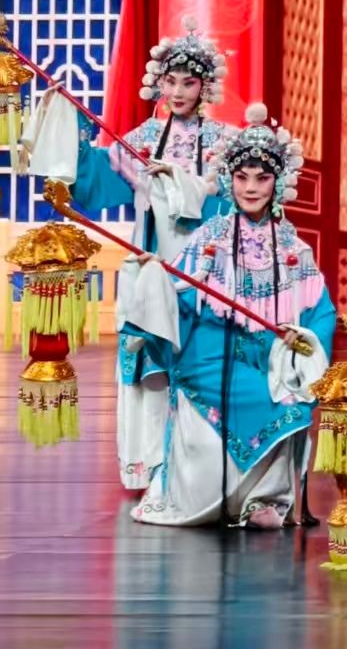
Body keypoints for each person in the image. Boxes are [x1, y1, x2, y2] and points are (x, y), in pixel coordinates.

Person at [23, 15, 234, 490]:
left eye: (188, 82)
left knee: (202, 357)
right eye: (170, 81)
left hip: (205, 269)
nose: (177, 91)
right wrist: (71, 121)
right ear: (158, 82)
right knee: (149, 363)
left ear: (205, 86)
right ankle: (151, 462)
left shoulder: (224, 144)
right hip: (149, 263)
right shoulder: (143, 139)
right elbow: (96, 179)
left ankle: (201, 465)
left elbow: (232, 207)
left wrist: (183, 187)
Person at [123, 102, 335, 528]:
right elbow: (179, 299)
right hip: (210, 354)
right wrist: (156, 278)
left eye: (262, 178)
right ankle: (211, 497)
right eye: (242, 177)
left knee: (286, 397)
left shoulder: (293, 248)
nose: (251, 188)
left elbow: (321, 312)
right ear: (228, 179)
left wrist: (303, 340)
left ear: (278, 182)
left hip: (270, 358)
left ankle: (263, 499)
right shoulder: (209, 237)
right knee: (248, 391)